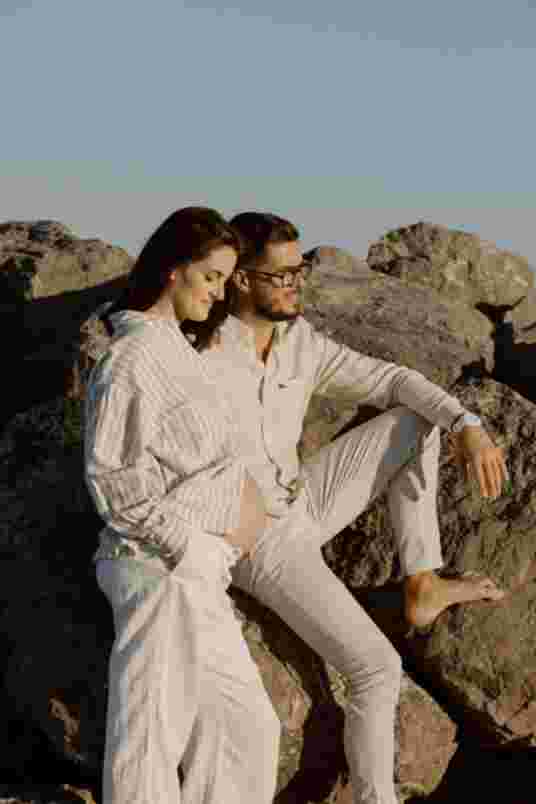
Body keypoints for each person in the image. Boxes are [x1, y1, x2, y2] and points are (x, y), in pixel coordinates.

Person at [191, 211, 509, 804]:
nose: (297, 285)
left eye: (300, 271)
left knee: (417, 420)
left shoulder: (298, 342)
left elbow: (393, 380)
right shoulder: (201, 354)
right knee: (375, 669)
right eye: (282, 276)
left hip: (303, 498)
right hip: (259, 539)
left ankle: (423, 582)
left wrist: (467, 423)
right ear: (241, 279)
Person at [84, 207, 280, 804]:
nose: (220, 292)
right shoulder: (131, 357)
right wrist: (189, 546)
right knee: (148, 735)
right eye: (212, 277)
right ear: (174, 270)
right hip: (160, 567)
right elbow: (113, 479)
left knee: (248, 730)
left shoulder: (176, 348)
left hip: (199, 572)